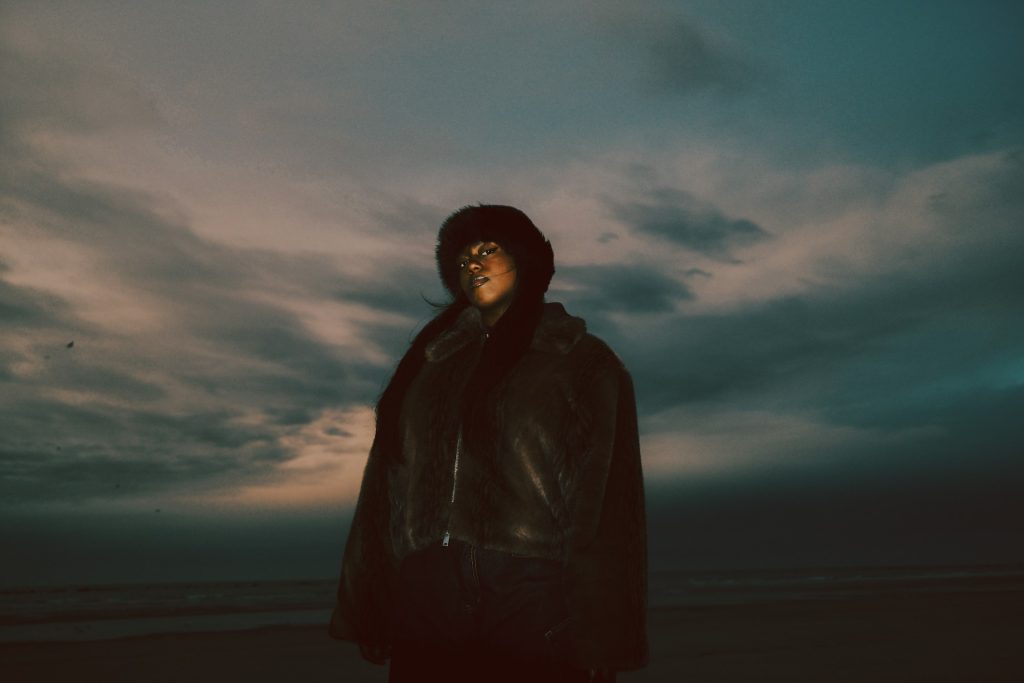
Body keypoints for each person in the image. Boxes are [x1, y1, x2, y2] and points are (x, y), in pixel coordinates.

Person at [330, 205, 647, 682]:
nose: (471, 265)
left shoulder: (582, 362)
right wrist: (372, 605)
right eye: (460, 261)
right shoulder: (427, 367)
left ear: (525, 258)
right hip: (428, 596)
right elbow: (384, 488)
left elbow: (610, 505)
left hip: (530, 594)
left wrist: (603, 632)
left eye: (487, 250)